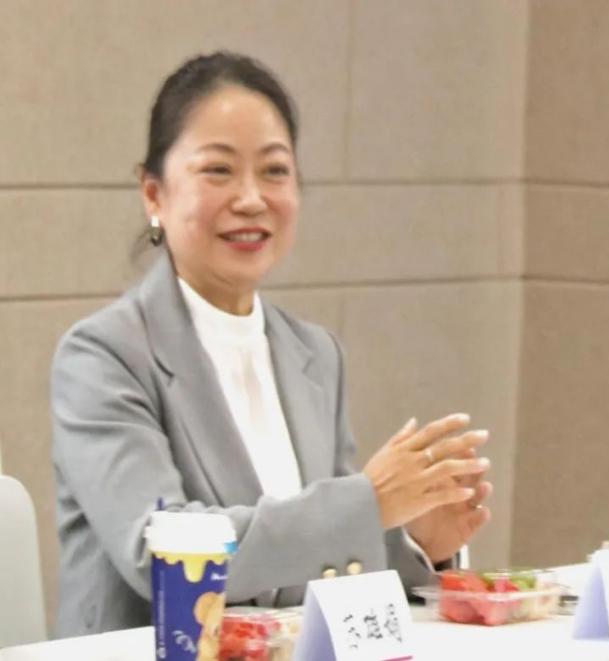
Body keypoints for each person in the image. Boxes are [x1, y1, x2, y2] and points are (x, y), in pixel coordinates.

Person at [50, 51, 493, 637]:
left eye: (275, 171)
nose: (251, 198)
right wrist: (367, 503)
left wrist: (414, 539)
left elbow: (319, 562)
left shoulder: (315, 354)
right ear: (154, 193)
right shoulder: (102, 357)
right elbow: (160, 556)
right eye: (219, 170)